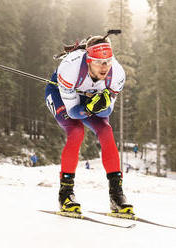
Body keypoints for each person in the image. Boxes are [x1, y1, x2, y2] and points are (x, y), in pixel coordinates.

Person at [45, 34, 133, 215]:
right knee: (76, 131)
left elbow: (107, 112)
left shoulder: (117, 74)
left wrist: (99, 105)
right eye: (99, 62)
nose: (105, 67)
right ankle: (66, 194)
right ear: (88, 60)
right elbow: (73, 112)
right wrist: (90, 107)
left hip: (88, 98)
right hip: (60, 94)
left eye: (108, 61)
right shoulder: (70, 68)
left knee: (106, 131)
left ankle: (116, 195)